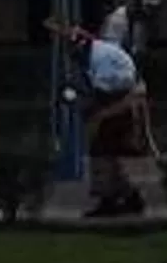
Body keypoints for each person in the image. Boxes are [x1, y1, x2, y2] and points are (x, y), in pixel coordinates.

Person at [61, 24, 149, 218]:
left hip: (119, 105)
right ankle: (129, 197)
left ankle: (109, 200)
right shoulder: (97, 55)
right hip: (119, 102)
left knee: (101, 153)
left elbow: (109, 94)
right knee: (109, 156)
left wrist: (96, 114)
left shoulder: (102, 60)